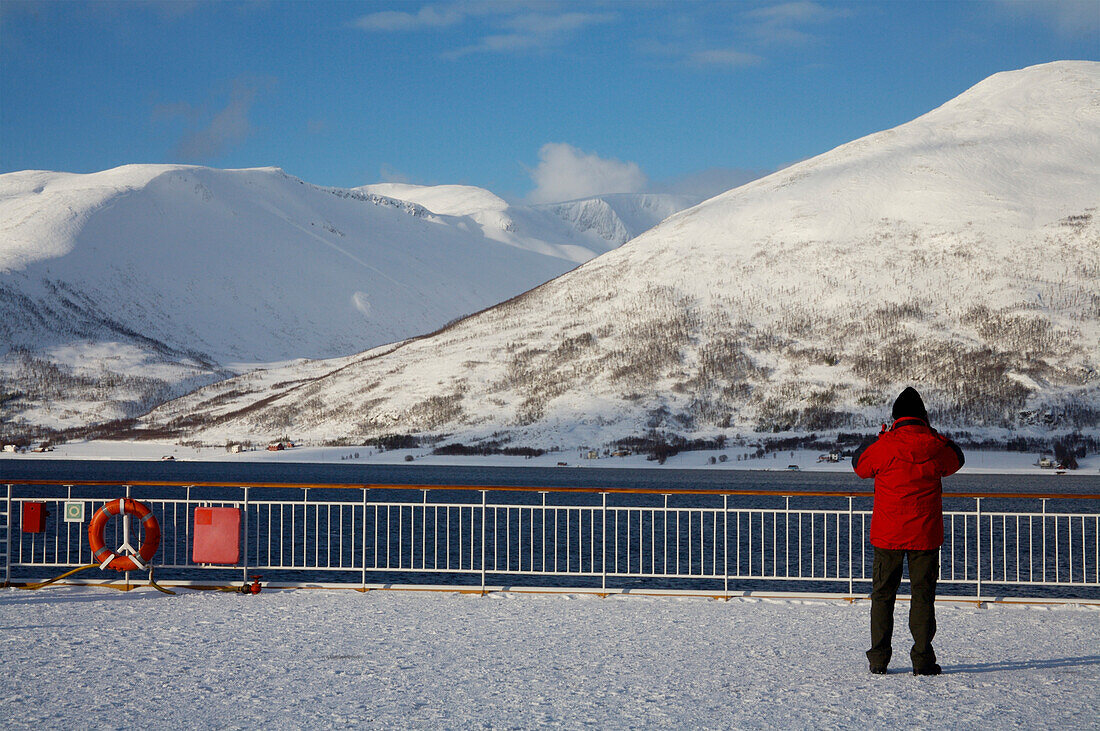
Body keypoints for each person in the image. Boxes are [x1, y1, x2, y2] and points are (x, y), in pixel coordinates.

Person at [851, 386, 964, 676]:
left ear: (895, 417)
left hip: (888, 535)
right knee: (923, 597)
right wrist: (933, 433)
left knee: (882, 596)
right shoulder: (936, 446)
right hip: (925, 536)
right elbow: (958, 457)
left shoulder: (885, 446)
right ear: (923, 416)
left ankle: (878, 660)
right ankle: (923, 661)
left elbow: (860, 465)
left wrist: (882, 437)